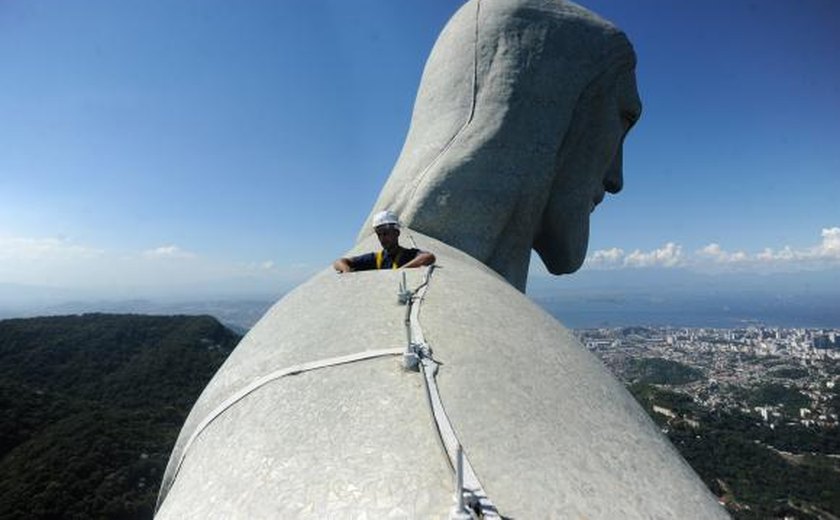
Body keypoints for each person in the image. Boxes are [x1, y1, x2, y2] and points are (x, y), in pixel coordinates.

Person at [333, 210, 435, 273]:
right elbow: (339, 262)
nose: (382, 238)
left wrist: (400, 271)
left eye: (385, 234)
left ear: (396, 233)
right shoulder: (375, 259)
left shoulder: (408, 255)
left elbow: (428, 257)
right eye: (379, 235)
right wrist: (347, 271)